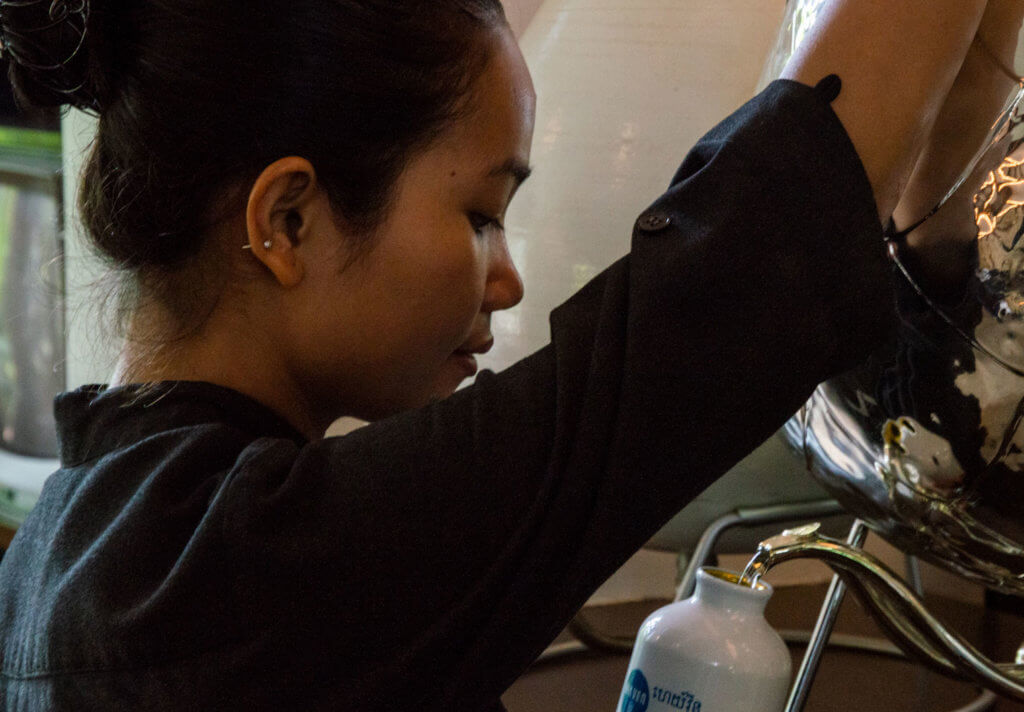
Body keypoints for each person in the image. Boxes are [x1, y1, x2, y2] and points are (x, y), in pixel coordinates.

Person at [0, 0, 989, 709]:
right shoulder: (249, 570)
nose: (505, 279)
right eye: (478, 213)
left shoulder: (57, 552)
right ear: (287, 220)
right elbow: (726, 290)